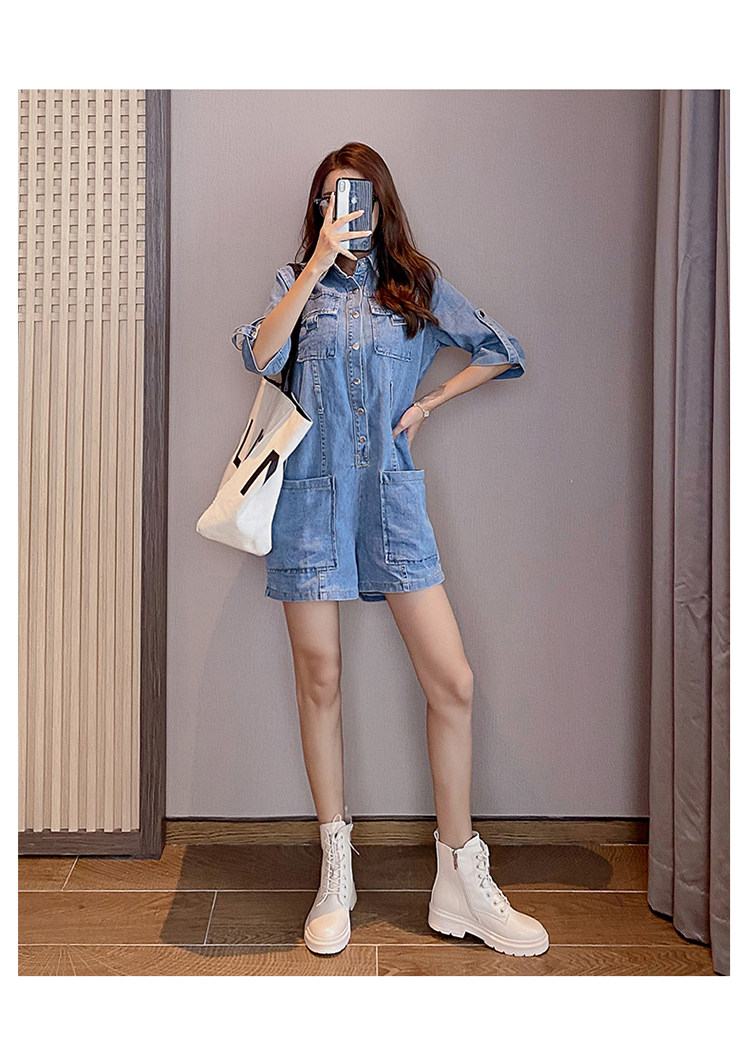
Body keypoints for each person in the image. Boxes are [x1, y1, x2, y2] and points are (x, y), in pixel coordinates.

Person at [232, 142, 548, 958]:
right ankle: (336, 872)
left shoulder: (414, 284)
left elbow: (501, 348)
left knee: (453, 681)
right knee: (321, 680)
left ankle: (458, 878)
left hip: (391, 503)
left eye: (359, 197)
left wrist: (431, 401)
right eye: (332, 198)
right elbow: (261, 356)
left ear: (382, 204)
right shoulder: (294, 284)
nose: (347, 211)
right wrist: (315, 264)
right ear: (318, 208)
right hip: (309, 503)